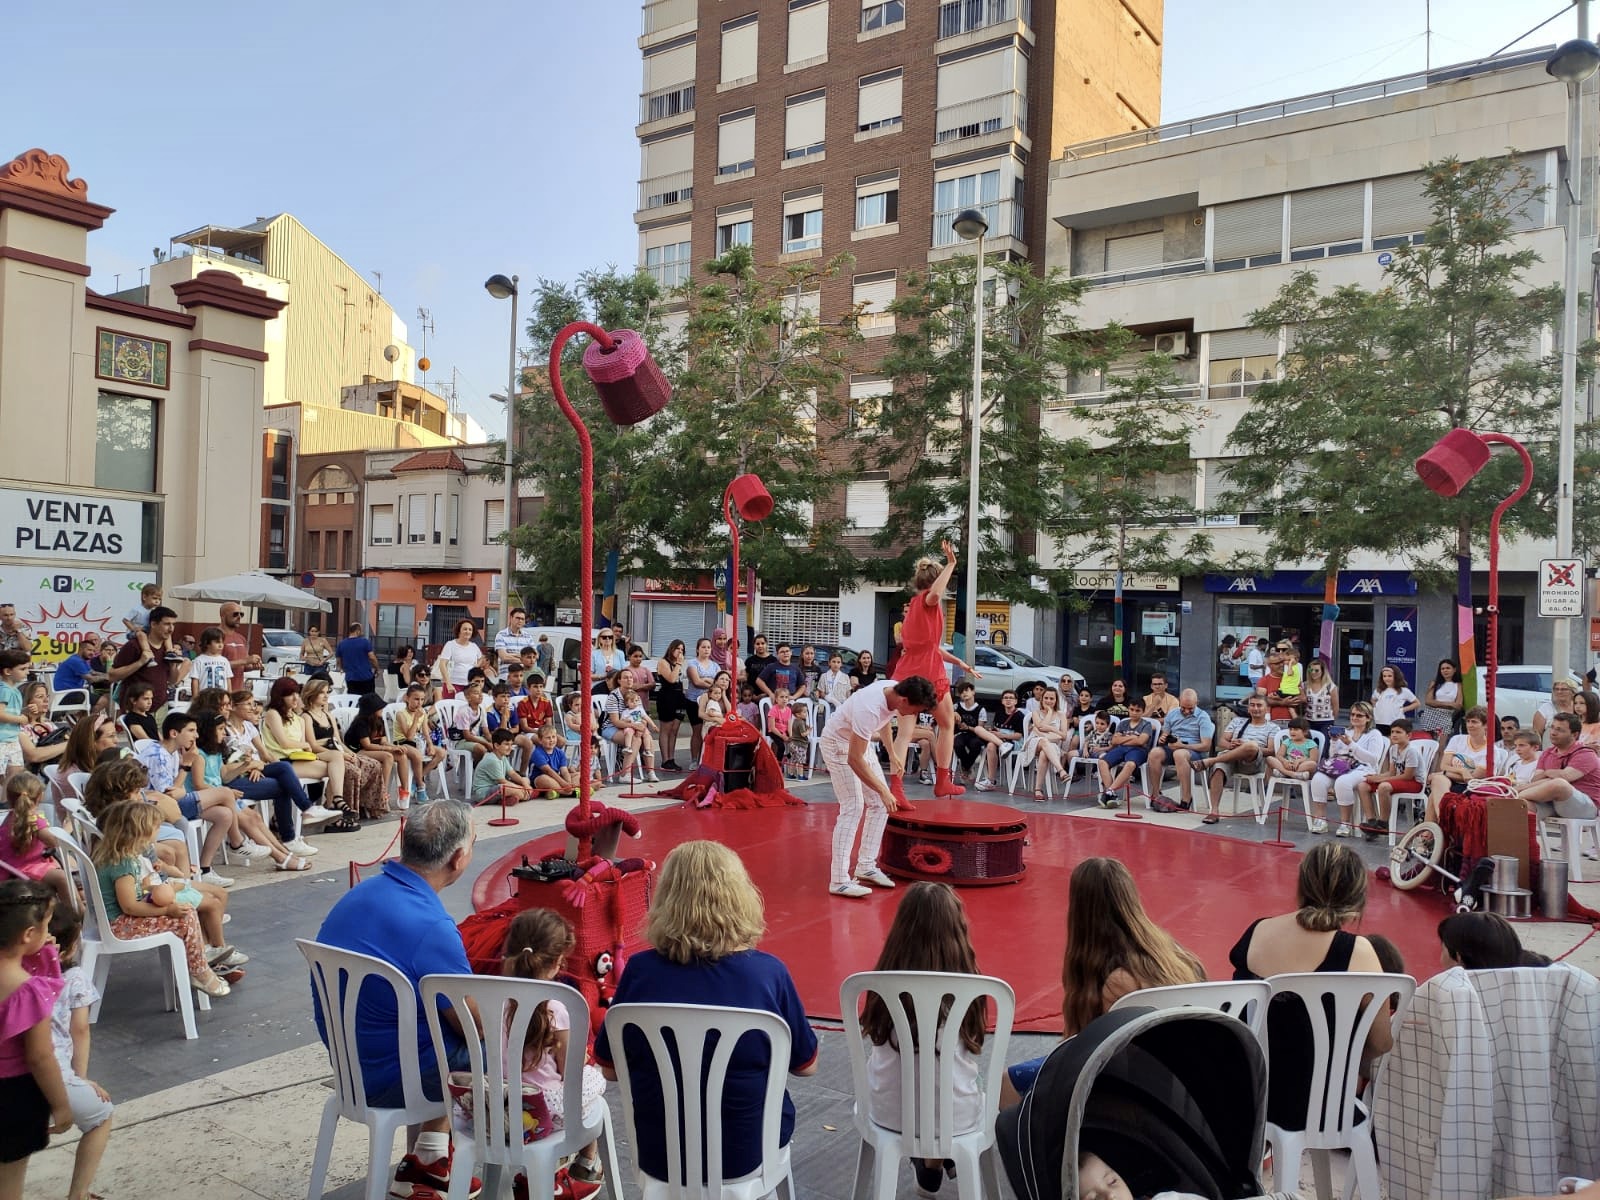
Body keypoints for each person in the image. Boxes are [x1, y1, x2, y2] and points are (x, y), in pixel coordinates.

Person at [592, 841, 818, 1183]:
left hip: (660, 1155)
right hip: (747, 1153)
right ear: (739, 897)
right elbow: (807, 1066)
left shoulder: (638, 972)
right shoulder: (767, 974)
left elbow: (610, 1070)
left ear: (667, 901)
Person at [313, 802, 479, 1199]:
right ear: (458, 858)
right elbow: (476, 1026)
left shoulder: (360, 894)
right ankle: (544, 1162)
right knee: (506, 1045)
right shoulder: (430, 927)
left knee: (438, 1027)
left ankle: (430, 1157)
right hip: (394, 1080)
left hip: (352, 1065)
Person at [1000, 858, 1203, 1107]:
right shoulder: (1176, 955)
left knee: (1007, 1084)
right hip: (1186, 1084)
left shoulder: (1115, 980)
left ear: (1079, 910)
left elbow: (1085, 1054)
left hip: (1126, 1089)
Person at [1229, 841, 1394, 1129]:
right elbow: (1380, 1041)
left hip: (1245, 1093)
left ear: (1301, 886)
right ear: (1357, 898)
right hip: (1318, 1104)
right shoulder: (1357, 952)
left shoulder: (1258, 930)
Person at [861, 883, 987, 1196]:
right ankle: (937, 1161)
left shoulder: (880, 983)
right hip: (956, 1115)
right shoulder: (971, 985)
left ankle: (930, 1166)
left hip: (887, 1109)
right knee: (950, 1087)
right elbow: (975, 1043)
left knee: (917, 1084)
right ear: (957, 931)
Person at [495, 910, 606, 1190]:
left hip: (498, 1105)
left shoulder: (495, 997)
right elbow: (570, 1071)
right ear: (559, 961)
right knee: (593, 1081)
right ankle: (586, 1162)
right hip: (544, 1113)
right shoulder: (556, 1007)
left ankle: (541, 1175)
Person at [91, 802, 236, 996]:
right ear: (140, 831)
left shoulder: (126, 857)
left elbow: (134, 892)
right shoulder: (122, 864)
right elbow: (130, 907)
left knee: (184, 910)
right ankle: (199, 971)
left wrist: (152, 888)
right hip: (120, 926)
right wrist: (166, 910)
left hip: (123, 919)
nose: (159, 831)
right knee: (185, 916)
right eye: (156, 827)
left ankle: (199, 960)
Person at [821, 676, 937, 898]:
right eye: (914, 710)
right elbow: (854, 759)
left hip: (859, 743)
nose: (913, 715)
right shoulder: (869, 708)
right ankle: (839, 880)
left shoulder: (893, 691)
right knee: (853, 807)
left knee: (880, 805)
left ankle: (865, 866)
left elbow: (884, 721)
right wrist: (884, 790)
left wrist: (892, 754)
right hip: (838, 743)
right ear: (904, 700)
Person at [0, 880, 71, 1200]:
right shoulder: (27, 990)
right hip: (13, 1096)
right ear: (28, 935)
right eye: (45, 927)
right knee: (9, 1184)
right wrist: (61, 1106)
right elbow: (40, 1057)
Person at [891, 542, 978, 802]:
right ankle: (942, 780)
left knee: (905, 732)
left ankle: (896, 786)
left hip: (908, 671)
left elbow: (930, 647)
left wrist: (960, 663)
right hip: (929, 673)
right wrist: (951, 563)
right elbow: (935, 595)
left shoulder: (914, 608)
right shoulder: (929, 602)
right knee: (947, 724)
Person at [43, 905, 116, 1200]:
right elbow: (81, 1030)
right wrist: (82, 1078)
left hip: (15, 1074)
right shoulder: (73, 979)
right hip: (57, 1075)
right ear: (69, 948)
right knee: (101, 1116)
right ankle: (79, 1194)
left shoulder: (14, 977)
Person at [133, 711, 248, 885]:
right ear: (174, 733)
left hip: (174, 802)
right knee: (225, 792)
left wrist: (183, 768)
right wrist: (186, 764)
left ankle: (205, 868)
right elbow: (168, 794)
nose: (196, 735)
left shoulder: (174, 752)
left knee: (224, 815)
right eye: (191, 730)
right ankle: (237, 843)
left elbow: (175, 789)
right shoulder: (158, 755)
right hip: (157, 808)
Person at [188, 714, 313, 871]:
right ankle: (280, 857)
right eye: (220, 729)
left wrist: (244, 766)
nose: (224, 733)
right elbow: (198, 785)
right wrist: (225, 792)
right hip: (209, 799)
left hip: (222, 796)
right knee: (248, 821)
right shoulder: (199, 755)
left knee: (255, 817)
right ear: (208, 732)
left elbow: (224, 775)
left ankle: (285, 853)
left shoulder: (215, 752)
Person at [302, 679, 388, 818]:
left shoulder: (328, 715)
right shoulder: (306, 717)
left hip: (336, 750)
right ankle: (341, 807)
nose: (326, 696)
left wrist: (350, 753)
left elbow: (339, 741)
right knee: (352, 770)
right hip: (322, 754)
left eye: (327, 692)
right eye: (321, 693)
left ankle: (369, 804)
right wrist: (341, 755)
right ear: (311, 695)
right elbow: (313, 745)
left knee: (373, 765)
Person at [1307, 701, 1385, 837]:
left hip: (1363, 768)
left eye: (1359, 715)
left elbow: (1373, 759)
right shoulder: (1346, 731)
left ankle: (1345, 823)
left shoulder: (1374, 734)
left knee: (1343, 782)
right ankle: (1320, 819)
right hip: (1340, 766)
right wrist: (1334, 741)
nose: (1354, 718)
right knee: (1318, 779)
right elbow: (1333, 755)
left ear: (1368, 718)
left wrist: (1351, 744)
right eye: (1352, 714)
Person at [1199, 694, 1279, 824]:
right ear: (1248, 708)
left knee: (1251, 746)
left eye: (1259, 705)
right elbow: (1222, 741)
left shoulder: (1273, 727)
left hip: (1252, 762)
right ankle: (1214, 811)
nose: (1255, 708)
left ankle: (1210, 761)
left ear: (1267, 709)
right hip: (1231, 757)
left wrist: (1247, 747)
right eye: (1252, 705)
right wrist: (1231, 745)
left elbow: (1271, 750)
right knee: (1218, 768)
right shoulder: (1237, 722)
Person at [0, 775, 72, 910]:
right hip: (22, 870)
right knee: (62, 877)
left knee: (58, 866)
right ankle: (75, 913)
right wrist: (68, 826)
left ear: (9, 798)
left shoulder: (10, 817)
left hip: (10, 867)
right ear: (41, 796)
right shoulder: (33, 819)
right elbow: (55, 842)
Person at [1515, 711, 1600, 821]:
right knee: (1519, 805)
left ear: (1574, 735)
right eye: (1552, 728)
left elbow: (1565, 778)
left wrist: (1546, 774)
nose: (1553, 733)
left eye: (1559, 730)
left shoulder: (1585, 753)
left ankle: (1514, 795)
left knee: (1560, 784)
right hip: (1552, 803)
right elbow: (1535, 779)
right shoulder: (1547, 753)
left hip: (1585, 806)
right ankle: (1515, 799)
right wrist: (1550, 775)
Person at [1422, 706, 1501, 823]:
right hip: (1452, 781)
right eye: (1468, 721)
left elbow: (1472, 778)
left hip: (1471, 787)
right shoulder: (1457, 739)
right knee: (1438, 779)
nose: (1469, 725)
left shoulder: (1491, 750)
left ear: (1485, 725)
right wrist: (1461, 771)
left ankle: (1430, 832)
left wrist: (1445, 773)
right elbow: (1444, 765)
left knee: (1435, 791)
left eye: (1474, 722)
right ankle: (1443, 820)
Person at [1146, 689, 1215, 812]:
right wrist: (1163, 738)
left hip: (1194, 751)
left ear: (1196, 703)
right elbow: (1165, 733)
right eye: (1183, 707)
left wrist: (1182, 746)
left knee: (1179, 754)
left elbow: (1206, 746)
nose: (1187, 711)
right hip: (1173, 746)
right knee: (1154, 753)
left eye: (1190, 708)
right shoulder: (1172, 714)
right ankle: (1156, 794)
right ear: (1179, 702)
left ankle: (1186, 798)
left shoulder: (1203, 717)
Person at [1357, 719, 1427, 839]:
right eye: (1392, 731)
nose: (1394, 735)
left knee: (1384, 786)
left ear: (1409, 735)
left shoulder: (1411, 751)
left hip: (1415, 782)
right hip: (1398, 779)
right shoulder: (1393, 749)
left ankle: (1383, 824)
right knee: (1363, 785)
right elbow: (1391, 772)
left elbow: (1408, 776)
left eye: (1398, 732)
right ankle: (1372, 822)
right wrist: (1376, 777)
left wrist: (1381, 780)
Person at [107, 608, 188, 711]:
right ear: (153, 624)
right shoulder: (134, 646)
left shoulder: (169, 649)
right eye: (167, 624)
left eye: (173, 624)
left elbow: (172, 681)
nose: (171, 629)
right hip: (135, 710)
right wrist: (140, 662)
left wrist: (173, 664)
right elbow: (112, 676)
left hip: (160, 708)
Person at [1096, 696, 1157, 808]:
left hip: (1139, 751)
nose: (1134, 713)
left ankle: (1109, 792)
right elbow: (1114, 740)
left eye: (1137, 710)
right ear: (1128, 709)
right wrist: (1133, 737)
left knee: (1130, 764)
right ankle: (1111, 793)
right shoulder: (1124, 723)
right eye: (1132, 709)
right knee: (1102, 762)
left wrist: (1125, 739)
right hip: (1121, 748)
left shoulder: (1146, 725)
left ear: (1143, 711)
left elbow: (1141, 741)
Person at [393, 684, 447, 801]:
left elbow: (425, 732)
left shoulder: (423, 713)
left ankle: (416, 779)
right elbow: (409, 736)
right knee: (417, 755)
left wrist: (431, 745)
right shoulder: (401, 714)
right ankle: (421, 786)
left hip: (418, 741)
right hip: (403, 742)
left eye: (422, 699)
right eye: (416, 699)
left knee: (441, 753)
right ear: (407, 698)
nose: (419, 703)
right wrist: (416, 718)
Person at [952, 680, 1002, 784]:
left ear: (973, 692)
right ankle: (967, 767)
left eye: (966, 690)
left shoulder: (980, 709)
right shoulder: (956, 706)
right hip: (960, 734)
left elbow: (980, 728)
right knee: (957, 744)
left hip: (974, 734)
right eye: (961, 692)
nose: (964, 693)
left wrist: (968, 727)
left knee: (975, 745)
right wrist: (953, 714)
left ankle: (965, 768)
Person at [472, 727, 533, 805]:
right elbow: (503, 781)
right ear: (496, 745)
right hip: (484, 793)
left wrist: (525, 784)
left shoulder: (502, 757)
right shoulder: (492, 760)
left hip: (496, 787)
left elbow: (512, 774)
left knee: (525, 779)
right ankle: (525, 796)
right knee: (506, 788)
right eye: (507, 744)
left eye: (511, 744)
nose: (510, 748)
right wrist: (521, 788)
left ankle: (512, 798)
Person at [654, 639, 689, 770]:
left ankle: (671, 758)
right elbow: (671, 678)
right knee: (666, 729)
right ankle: (665, 759)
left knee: (675, 729)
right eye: (678, 649)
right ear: (671, 649)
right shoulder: (664, 662)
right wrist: (679, 664)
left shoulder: (680, 664)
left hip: (679, 697)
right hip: (667, 697)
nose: (680, 652)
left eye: (682, 649)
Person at [217, 603, 262, 692]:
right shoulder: (214, 636)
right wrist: (245, 661)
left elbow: (243, 666)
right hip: (219, 691)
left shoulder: (241, 638)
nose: (239, 617)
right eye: (235, 614)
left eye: (241, 614)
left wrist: (253, 666)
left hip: (238, 691)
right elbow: (215, 665)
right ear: (223, 615)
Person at [1414, 658, 1463, 739]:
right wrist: (1450, 704)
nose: (1445, 670)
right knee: (1429, 742)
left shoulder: (1458, 685)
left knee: (1441, 745)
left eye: (1448, 668)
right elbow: (1428, 701)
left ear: (1454, 669)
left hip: (1446, 716)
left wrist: (1437, 703)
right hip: (1431, 715)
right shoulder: (1435, 683)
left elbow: (1458, 705)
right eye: (1442, 669)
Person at [1265, 716, 1321, 786]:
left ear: (1305, 732)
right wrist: (1285, 761)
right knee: (1269, 758)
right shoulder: (1287, 742)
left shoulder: (1310, 743)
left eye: (1296, 729)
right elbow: (1279, 755)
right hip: (1286, 766)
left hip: (1300, 767)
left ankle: (1284, 773)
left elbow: (1313, 759)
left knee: (1313, 764)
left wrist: (1300, 761)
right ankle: (1290, 773)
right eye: (1290, 729)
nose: (1292, 732)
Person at [529, 723, 579, 798]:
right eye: (548, 738)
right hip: (540, 780)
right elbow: (548, 771)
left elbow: (564, 771)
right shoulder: (537, 753)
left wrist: (568, 783)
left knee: (578, 774)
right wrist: (564, 784)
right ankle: (570, 793)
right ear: (540, 740)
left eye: (553, 737)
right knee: (544, 779)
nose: (551, 740)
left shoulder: (560, 752)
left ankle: (561, 791)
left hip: (557, 778)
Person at [1370, 664, 1419, 737]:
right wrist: (1376, 707)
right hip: (1380, 721)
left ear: (1396, 676)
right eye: (1384, 676)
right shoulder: (1378, 690)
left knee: (1394, 742)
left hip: (1396, 722)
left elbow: (1417, 703)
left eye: (1390, 676)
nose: (1387, 678)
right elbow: (1373, 699)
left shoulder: (1403, 691)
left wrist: (1403, 709)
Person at [334, 622, 380, 697]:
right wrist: (377, 668)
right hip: (365, 676)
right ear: (357, 631)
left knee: (353, 699)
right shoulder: (364, 642)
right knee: (369, 699)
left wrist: (342, 668)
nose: (362, 632)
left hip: (350, 678)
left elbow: (338, 661)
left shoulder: (341, 644)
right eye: (361, 630)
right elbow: (372, 658)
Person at [1533, 672, 1583, 741]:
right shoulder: (1545, 709)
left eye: (1563, 689)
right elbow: (1536, 736)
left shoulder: (1578, 707)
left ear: (1573, 692)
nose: (1559, 692)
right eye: (1556, 689)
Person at [1301, 658, 1339, 741]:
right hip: (1308, 721)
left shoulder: (1330, 687)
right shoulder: (1305, 685)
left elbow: (1335, 707)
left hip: (1326, 721)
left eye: (1316, 670)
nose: (1313, 673)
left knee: (1324, 745)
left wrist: (1332, 720)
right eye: (1311, 670)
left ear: (1322, 671)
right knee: (1309, 746)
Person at [188, 627, 234, 695]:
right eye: (217, 642)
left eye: (222, 642)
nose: (221, 645)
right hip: (205, 697)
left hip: (222, 697)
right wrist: (195, 698)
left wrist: (230, 696)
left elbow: (228, 680)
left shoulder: (225, 661)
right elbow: (195, 680)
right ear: (207, 643)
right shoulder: (199, 660)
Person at [764, 686, 795, 763]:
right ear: (776, 699)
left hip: (784, 731)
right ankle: (779, 763)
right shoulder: (773, 710)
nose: (784, 699)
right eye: (781, 697)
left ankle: (789, 759)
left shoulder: (788, 710)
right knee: (781, 747)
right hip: (774, 731)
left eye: (786, 697)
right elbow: (772, 727)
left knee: (795, 743)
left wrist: (790, 736)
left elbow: (789, 725)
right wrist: (783, 736)